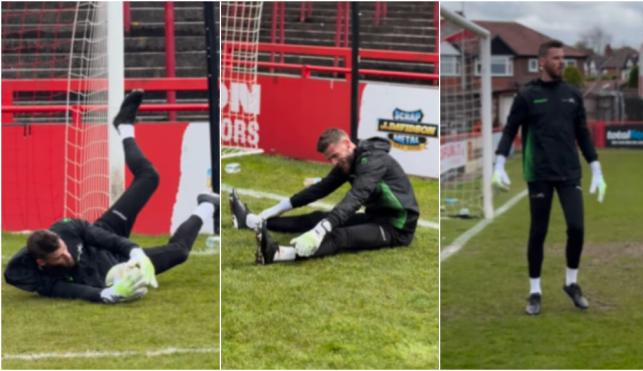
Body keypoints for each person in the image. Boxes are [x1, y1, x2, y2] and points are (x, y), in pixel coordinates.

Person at [4, 90, 219, 304]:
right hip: (119, 265)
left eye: (64, 249)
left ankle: (124, 126)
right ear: (41, 262)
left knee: (149, 176)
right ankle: (206, 204)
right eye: (58, 258)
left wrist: (134, 251)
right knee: (180, 252)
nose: (66, 256)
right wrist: (102, 294)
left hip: (107, 234)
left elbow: (99, 236)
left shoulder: (66, 228)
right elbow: (54, 287)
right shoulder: (31, 271)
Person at [492, 40, 607, 315]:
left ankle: (571, 283)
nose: (562, 62)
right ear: (542, 62)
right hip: (539, 173)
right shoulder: (527, 96)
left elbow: (582, 133)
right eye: (556, 58)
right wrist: (499, 164)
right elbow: (509, 131)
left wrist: (596, 169)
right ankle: (534, 291)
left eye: (564, 58)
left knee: (577, 228)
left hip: (569, 173)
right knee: (538, 232)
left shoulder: (572, 94)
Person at [229, 128, 419, 264]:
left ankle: (277, 254)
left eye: (335, 156)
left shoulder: (374, 161)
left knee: (339, 235)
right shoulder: (349, 159)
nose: (334, 162)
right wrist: (274, 210)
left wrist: (320, 231)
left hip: (397, 228)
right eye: (330, 159)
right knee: (316, 217)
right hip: (376, 216)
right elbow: (319, 190)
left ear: (346, 143)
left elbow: (356, 197)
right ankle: (253, 222)